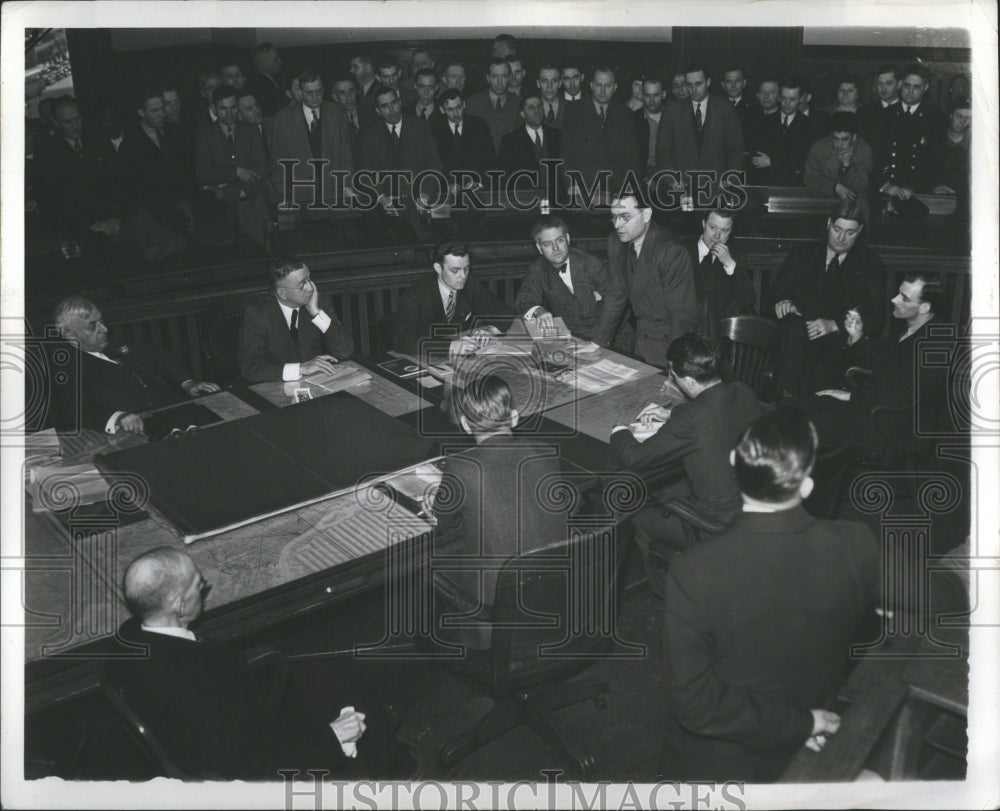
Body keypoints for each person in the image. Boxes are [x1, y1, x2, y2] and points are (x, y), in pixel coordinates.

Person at [661, 410, 879, 781]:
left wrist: (802, 724)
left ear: (733, 464)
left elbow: (696, 706)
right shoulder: (857, 542)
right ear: (807, 485)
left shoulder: (692, 571)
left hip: (724, 764)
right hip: (814, 730)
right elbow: (946, 596)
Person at [106, 547, 405, 779]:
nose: (205, 588)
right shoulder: (190, 686)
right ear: (178, 605)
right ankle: (386, 781)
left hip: (226, 718)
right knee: (358, 698)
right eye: (199, 585)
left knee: (334, 677)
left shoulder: (128, 638)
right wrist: (333, 736)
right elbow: (249, 766)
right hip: (253, 752)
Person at [610, 334, 765, 594]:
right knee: (667, 490)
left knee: (638, 519)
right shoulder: (742, 391)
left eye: (675, 376)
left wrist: (619, 431)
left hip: (715, 524)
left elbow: (636, 459)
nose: (672, 381)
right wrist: (671, 413)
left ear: (690, 381)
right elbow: (717, 415)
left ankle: (669, 596)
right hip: (754, 508)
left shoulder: (690, 419)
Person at [433, 375, 565, 648]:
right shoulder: (546, 451)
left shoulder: (461, 467)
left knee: (436, 559)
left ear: (467, 425)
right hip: (555, 595)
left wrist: (437, 502)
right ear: (515, 417)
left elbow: (443, 522)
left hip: (497, 613)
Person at [785, 273, 947, 453]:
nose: (894, 300)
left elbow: (903, 397)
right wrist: (856, 335)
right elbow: (879, 362)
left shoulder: (935, 346)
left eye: (904, 298)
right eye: (898, 293)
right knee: (791, 408)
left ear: (924, 307)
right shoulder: (908, 329)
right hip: (870, 407)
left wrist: (851, 397)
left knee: (800, 429)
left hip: (890, 424)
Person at [764, 199, 885, 397]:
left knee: (818, 372)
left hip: (836, 346)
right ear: (828, 224)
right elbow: (770, 299)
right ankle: (787, 407)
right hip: (795, 341)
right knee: (792, 335)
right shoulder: (803, 255)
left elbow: (876, 317)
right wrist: (784, 303)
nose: (841, 238)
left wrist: (834, 324)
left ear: (860, 231)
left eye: (850, 232)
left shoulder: (870, 265)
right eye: (837, 229)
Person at [51, 296, 219, 434]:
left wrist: (188, 384)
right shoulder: (66, 367)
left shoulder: (114, 345)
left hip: (176, 415)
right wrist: (117, 417)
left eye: (101, 321)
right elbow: (73, 410)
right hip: (138, 434)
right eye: (92, 326)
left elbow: (160, 357)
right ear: (69, 334)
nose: (104, 329)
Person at [607, 191, 698, 367]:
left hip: (672, 342)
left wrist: (675, 366)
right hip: (642, 337)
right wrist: (598, 342)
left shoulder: (672, 251)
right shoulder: (615, 242)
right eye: (613, 217)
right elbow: (615, 295)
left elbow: (682, 317)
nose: (617, 225)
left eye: (625, 217)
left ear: (646, 214)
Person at [238, 255, 354, 383]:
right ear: (282, 292)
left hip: (317, 386)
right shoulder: (258, 313)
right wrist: (300, 369)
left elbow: (345, 351)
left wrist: (316, 313)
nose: (310, 288)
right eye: (302, 284)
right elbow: (250, 368)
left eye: (309, 279)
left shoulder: (319, 302)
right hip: (278, 390)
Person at [514, 215, 626, 346]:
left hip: (613, 338)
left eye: (559, 240)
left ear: (567, 239)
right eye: (547, 244)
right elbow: (523, 300)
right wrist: (539, 311)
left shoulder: (591, 264)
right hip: (573, 340)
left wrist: (599, 342)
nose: (555, 248)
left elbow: (618, 306)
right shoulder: (537, 270)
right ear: (539, 248)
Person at [391, 241, 509, 356]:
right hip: (424, 359)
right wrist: (451, 347)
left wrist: (490, 330)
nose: (463, 276)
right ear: (438, 268)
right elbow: (403, 341)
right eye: (455, 270)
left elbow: (504, 314)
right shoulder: (416, 294)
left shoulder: (471, 284)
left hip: (461, 360)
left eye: (466, 269)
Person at [357, 86, 444, 241]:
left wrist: (424, 193)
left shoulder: (420, 127)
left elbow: (434, 166)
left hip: (418, 208)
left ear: (400, 102)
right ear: (378, 111)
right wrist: (381, 198)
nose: (392, 109)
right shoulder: (369, 136)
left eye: (394, 103)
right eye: (385, 106)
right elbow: (365, 175)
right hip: (385, 214)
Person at [194, 85, 270, 248]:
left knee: (259, 254)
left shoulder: (251, 131)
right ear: (214, 109)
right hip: (221, 214)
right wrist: (237, 172)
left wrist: (230, 192)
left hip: (252, 205)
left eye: (233, 107)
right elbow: (203, 173)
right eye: (223, 108)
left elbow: (261, 169)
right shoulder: (204, 135)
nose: (229, 113)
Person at [268, 69, 354, 208]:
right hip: (299, 195)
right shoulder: (283, 118)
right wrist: (284, 193)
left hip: (334, 193)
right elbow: (278, 160)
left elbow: (346, 155)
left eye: (319, 91)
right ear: (301, 93)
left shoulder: (337, 113)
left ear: (323, 90)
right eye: (309, 93)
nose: (315, 97)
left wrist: (347, 185)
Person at [655, 63, 744, 197]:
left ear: (708, 82)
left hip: (717, 188)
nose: (693, 89)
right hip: (682, 190)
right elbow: (662, 151)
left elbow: (736, 151)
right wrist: (671, 179)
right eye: (689, 85)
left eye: (698, 84)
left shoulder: (725, 109)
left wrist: (729, 179)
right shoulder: (672, 110)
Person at [561, 67, 640, 199]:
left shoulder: (625, 114)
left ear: (615, 87)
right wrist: (572, 183)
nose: (603, 90)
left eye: (608, 86)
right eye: (598, 85)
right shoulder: (574, 111)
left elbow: (632, 157)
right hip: (583, 188)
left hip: (616, 189)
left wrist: (629, 187)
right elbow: (567, 153)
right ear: (591, 86)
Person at [683, 209, 756, 342]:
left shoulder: (735, 256)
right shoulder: (683, 250)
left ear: (731, 231)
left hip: (719, 336)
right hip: (684, 329)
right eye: (712, 228)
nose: (717, 236)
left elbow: (748, 300)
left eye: (725, 230)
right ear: (703, 224)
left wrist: (729, 264)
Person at [878, 63, 944, 201]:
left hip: (918, 192)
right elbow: (875, 154)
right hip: (887, 190)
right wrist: (885, 184)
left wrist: (915, 188)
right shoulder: (885, 115)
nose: (910, 91)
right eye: (907, 85)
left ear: (925, 88)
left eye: (916, 87)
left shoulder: (935, 118)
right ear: (901, 84)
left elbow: (935, 160)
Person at [748, 76, 816, 186]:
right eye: (784, 98)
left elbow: (803, 161)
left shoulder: (809, 126)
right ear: (779, 97)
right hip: (766, 184)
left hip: (795, 187)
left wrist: (772, 162)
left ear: (801, 99)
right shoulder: (764, 122)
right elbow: (757, 159)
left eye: (792, 99)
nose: (787, 103)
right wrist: (787, 162)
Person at [804, 111, 874, 203]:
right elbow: (810, 178)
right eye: (836, 138)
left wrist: (847, 167)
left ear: (854, 137)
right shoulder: (818, 148)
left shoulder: (863, 150)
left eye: (845, 139)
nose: (839, 144)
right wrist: (834, 187)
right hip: (822, 201)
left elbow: (861, 184)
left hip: (854, 204)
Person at [430, 89, 497, 182]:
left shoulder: (479, 125)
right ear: (442, 110)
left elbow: (489, 160)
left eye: (458, 107)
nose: (456, 113)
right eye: (450, 110)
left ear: (464, 105)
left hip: (477, 185)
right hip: (448, 189)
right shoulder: (434, 130)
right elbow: (433, 165)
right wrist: (447, 185)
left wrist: (478, 182)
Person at [497, 93, 561, 177]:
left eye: (539, 107)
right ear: (522, 113)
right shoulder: (510, 141)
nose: (537, 111)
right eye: (531, 108)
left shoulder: (558, 136)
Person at [465, 58, 521, 152]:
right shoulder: (473, 102)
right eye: (495, 76)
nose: (499, 82)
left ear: (509, 77)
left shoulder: (519, 103)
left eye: (503, 76)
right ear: (488, 78)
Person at [935, 97, 971, 220]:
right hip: (937, 195)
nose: (962, 121)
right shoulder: (938, 137)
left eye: (967, 118)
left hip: (965, 199)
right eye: (958, 116)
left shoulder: (975, 143)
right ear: (950, 115)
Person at [635, 75, 665, 180]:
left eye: (656, 95)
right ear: (642, 96)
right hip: (642, 175)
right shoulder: (633, 119)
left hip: (670, 173)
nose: (652, 100)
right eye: (647, 95)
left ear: (663, 94)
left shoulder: (674, 117)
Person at [246, 42, 286, 117]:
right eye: (276, 59)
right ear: (264, 62)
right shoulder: (257, 85)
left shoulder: (277, 80)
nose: (280, 61)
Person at [721, 63, 756, 128]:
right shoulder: (715, 107)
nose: (733, 86)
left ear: (744, 83)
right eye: (729, 81)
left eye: (737, 81)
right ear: (723, 85)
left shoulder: (754, 107)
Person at [535, 64, 567, 129]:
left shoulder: (570, 107)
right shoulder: (529, 108)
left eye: (554, 81)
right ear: (538, 83)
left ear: (560, 83)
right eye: (544, 81)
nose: (549, 86)